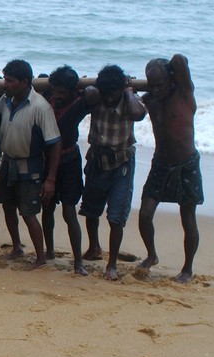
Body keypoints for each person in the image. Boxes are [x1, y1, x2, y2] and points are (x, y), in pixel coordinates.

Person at [138, 55, 203, 283]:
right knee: (145, 214)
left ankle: (187, 269)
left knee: (188, 218)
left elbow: (179, 59)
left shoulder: (184, 93)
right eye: (152, 85)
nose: (156, 90)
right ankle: (151, 255)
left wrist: (172, 73)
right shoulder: (149, 100)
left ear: (171, 78)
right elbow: (133, 107)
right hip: (160, 164)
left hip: (187, 165)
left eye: (160, 84)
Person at [0, 59, 62, 269]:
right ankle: (17, 248)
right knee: (8, 207)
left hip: (30, 167)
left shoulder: (41, 107)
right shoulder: (5, 99)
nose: (5, 84)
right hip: (8, 163)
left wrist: (50, 179)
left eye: (10, 81)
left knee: (28, 214)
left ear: (24, 82)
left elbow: (55, 144)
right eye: (4, 79)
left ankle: (40, 258)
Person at [79, 65, 147, 280]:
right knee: (91, 210)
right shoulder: (97, 98)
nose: (109, 99)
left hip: (122, 162)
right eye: (106, 94)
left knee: (116, 216)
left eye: (113, 94)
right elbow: (88, 93)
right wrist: (97, 89)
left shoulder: (130, 101)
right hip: (97, 160)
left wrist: (128, 91)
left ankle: (112, 264)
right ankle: (94, 247)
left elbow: (138, 114)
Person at [42, 66, 99, 275]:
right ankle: (49, 251)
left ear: (73, 90)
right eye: (55, 91)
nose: (58, 95)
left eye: (62, 92)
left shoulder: (79, 103)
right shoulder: (47, 98)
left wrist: (85, 88)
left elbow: (94, 93)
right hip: (46, 159)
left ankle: (78, 262)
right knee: (47, 206)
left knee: (69, 210)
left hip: (69, 159)